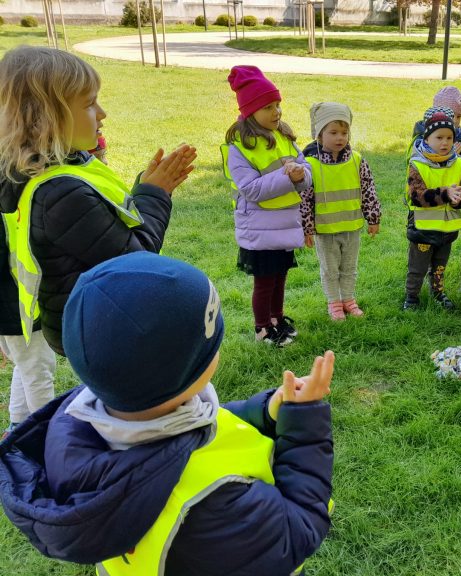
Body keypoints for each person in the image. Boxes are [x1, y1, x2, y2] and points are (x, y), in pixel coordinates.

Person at [0, 252, 335, 576]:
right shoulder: (209, 502)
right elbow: (297, 530)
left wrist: (267, 410)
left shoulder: (82, 423)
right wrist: (306, 427)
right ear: (189, 369)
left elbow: (198, 433)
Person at [0, 46, 195, 356]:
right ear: (45, 117)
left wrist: (144, 187)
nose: (102, 114)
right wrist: (155, 194)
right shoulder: (60, 195)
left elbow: (104, 228)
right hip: (101, 331)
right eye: (90, 104)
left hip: (92, 320)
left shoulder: (58, 169)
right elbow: (136, 257)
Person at [221, 65, 311, 346]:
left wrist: (301, 175)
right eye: (268, 107)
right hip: (259, 227)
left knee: (280, 276)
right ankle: (262, 328)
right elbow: (250, 189)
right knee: (264, 281)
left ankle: (277, 319)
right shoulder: (238, 147)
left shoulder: (284, 136)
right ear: (250, 111)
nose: (276, 112)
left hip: (284, 223)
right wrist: (287, 176)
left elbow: (306, 169)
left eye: (278, 105)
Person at [301, 102, 381, 320]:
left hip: (351, 227)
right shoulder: (309, 165)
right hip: (325, 230)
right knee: (330, 269)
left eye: (344, 132)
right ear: (319, 135)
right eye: (333, 132)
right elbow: (305, 200)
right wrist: (307, 228)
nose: (340, 138)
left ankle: (348, 299)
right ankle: (334, 302)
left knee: (349, 267)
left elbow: (368, 190)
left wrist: (373, 218)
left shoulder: (357, 161)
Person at [403, 107, 461, 310]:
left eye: (449, 138)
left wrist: (459, 199)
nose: (445, 142)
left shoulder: (458, 163)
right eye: (439, 137)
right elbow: (416, 196)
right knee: (418, 267)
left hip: (447, 229)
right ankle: (412, 297)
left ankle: (438, 292)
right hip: (423, 228)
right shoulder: (417, 164)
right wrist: (445, 194)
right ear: (427, 138)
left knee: (440, 265)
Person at [0, 217, 55, 438]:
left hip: (16, 308)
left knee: (26, 367)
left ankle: (18, 427)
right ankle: (43, 438)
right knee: (38, 372)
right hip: (20, 310)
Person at [411, 86, 461, 156]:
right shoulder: (423, 132)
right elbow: (419, 158)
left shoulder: (459, 133)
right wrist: (450, 155)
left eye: (459, 116)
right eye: (451, 115)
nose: (455, 121)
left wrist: (459, 156)